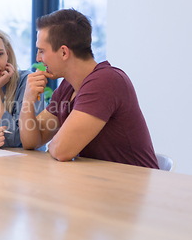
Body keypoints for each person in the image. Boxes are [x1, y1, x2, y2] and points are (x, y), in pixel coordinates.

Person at [20, 9, 158, 168]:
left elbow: (61, 150)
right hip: (100, 185)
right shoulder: (67, 87)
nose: (38, 58)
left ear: (64, 52)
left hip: (132, 189)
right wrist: (27, 101)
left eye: (42, 51)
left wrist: (56, 144)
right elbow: (32, 141)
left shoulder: (106, 81)